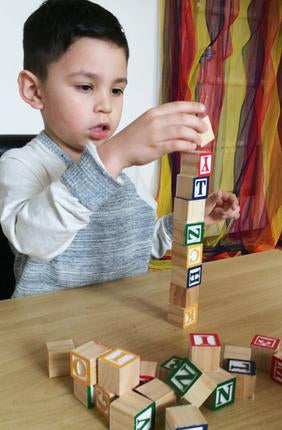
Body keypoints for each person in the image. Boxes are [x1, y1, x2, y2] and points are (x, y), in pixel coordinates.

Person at [0, 0, 239, 297]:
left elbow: (141, 245)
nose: (106, 106)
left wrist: (191, 218)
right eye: (85, 87)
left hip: (120, 323)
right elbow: (33, 239)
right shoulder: (21, 164)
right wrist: (113, 156)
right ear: (34, 90)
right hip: (47, 328)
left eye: (116, 90)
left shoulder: (123, 169)